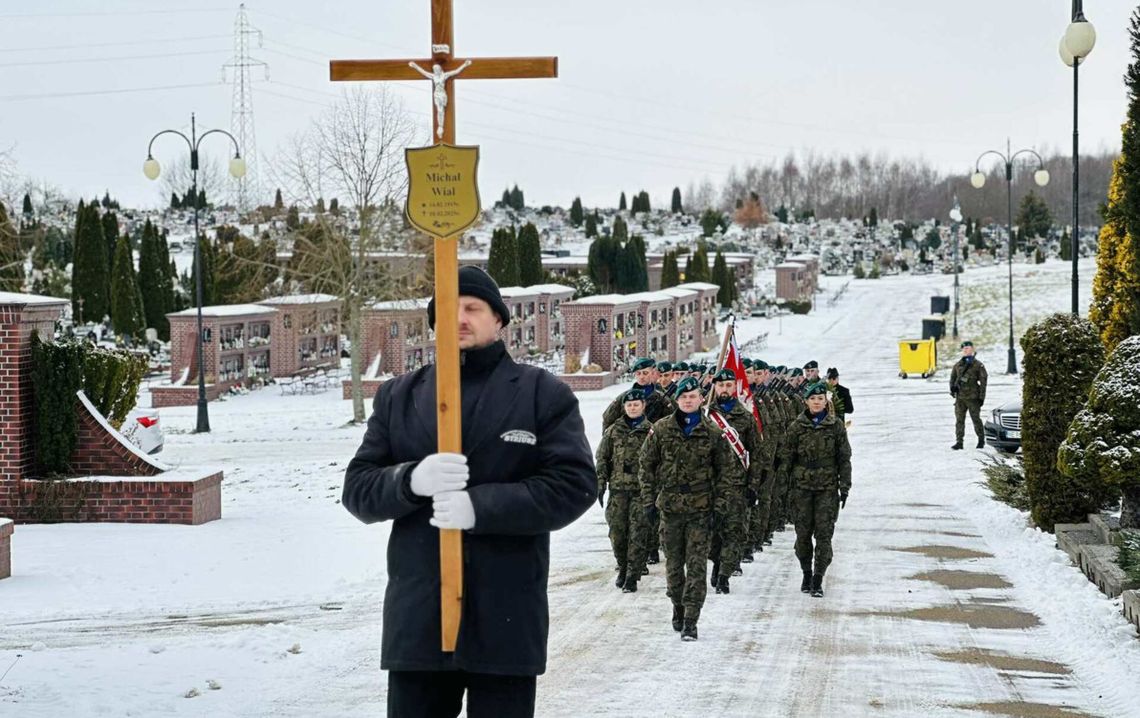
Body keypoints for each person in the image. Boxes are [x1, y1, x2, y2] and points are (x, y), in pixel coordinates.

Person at [342, 266, 596, 718]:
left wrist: (479, 506)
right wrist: (410, 480)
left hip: (505, 619)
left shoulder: (541, 394)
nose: (458, 318)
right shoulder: (399, 396)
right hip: (418, 622)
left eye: (472, 308)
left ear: (499, 319)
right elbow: (358, 490)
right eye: (446, 309)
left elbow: (573, 486)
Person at [635, 377, 733, 640]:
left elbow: (726, 473)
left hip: (701, 510)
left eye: (692, 396)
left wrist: (720, 507)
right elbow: (646, 466)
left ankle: (691, 618)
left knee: (697, 565)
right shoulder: (661, 429)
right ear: (677, 400)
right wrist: (648, 501)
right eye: (683, 397)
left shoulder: (713, 433)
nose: (688, 401)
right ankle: (677, 606)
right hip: (670, 508)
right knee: (674, 566)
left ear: (701, 399)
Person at [780, 381, 852, 598]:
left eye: (820, 399)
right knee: (802, 535)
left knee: (824, 536)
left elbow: (844, 458)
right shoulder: (796, 427)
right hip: (801, 489)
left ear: (825, 401)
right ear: (806, 402)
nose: (817, 402)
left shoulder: (835, 426)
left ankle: (818, 577)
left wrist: (844, 486)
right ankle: (806, 572)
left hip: (827, 489)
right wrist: (784, 488)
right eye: (813, 399)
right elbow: (786, 459)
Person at [707, 368, 768, 592]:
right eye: (720, 385)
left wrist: (753, 486)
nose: (724, 389)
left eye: (729, 385)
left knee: (735, 533)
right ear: (715, 387)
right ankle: (716, 562)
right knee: (712, 534)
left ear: (735, 387)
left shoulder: (746, 418)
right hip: (710, 487)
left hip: (737, 487)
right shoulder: (705, 415)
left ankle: (724, 575)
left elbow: (757, 454)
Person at [596, 390, 652, 592]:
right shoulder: (613, 431)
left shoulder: (652, 431)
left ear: (643, 406)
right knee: (617, 534)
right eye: (629, 405)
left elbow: (659, 462)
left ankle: (632, 576)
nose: (632, 408)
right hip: (618, 490)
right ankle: (623, 566)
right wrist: (601, 483)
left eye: (636, 405)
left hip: (640, 491)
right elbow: (602, 458)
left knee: (638, 535)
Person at [602, 357, 673, 430]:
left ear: (652, 373)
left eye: (645, 373)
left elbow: (670, 424)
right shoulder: (624, 397)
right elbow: (607, 419)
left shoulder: (661, 398)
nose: (641, 377)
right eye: (638, 373)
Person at [950, 341, 988, 450]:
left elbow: (983, 382)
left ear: (972, 349)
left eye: (968, 348)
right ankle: (959, 442)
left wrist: (981, 397)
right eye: (964, 349)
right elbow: (952, 379)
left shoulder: (978, 365)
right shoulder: (958, 365)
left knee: (976, 419)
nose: (965, 350)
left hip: (973, 398)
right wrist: (952, 389)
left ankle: (981, 440)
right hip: (960, 398)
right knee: (959, 421)